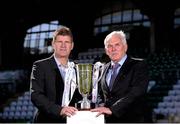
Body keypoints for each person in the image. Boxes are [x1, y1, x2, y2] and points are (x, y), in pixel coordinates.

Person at [91, 30, 149, 123]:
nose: (113, 49)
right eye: (110, 46)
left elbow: (136, 93)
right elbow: (99, 93)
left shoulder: (139, 65)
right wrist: (101, 106)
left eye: (117, 45)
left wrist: (112, 109)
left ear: (125, 47)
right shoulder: (103, 68)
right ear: (106, 51)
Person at [30, 26, 82, 123]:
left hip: (73, 120)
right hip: (46, 120)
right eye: (59, 42)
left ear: (72, 46)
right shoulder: (41, 65)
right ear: (53, 44)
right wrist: (60, 110)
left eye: (67, 42)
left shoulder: (77, 68)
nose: (63, 45)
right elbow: (36, 95)